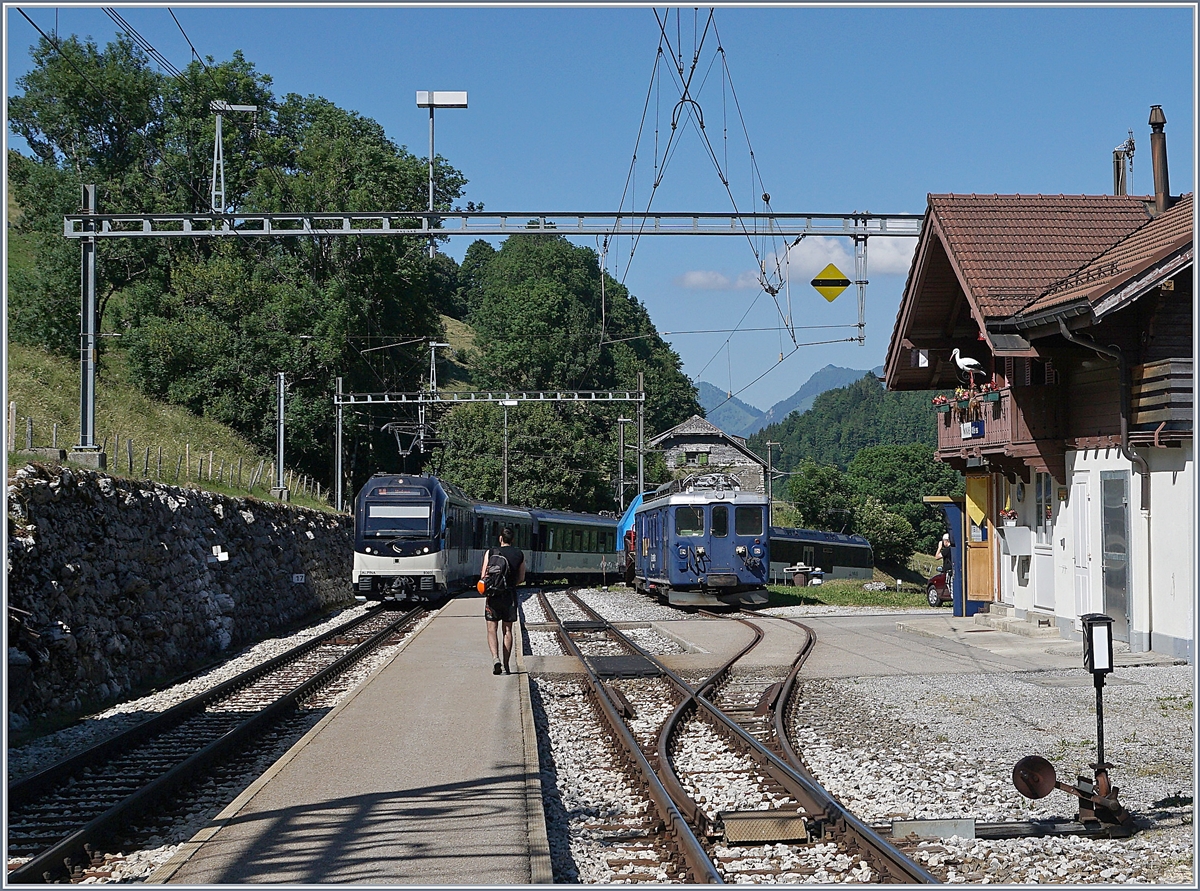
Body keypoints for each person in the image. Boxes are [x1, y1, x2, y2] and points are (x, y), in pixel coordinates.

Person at [480, 526, 525, 675]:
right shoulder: (519, 554)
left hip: (493, 596)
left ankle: (495, 658)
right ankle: (506, 664)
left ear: (500, 538)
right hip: (509, 596)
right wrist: (510, 584)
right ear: (513, 540)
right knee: (507, 630)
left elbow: (483, 576)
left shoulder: (491, 552)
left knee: (491, 629)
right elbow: (521, 578)